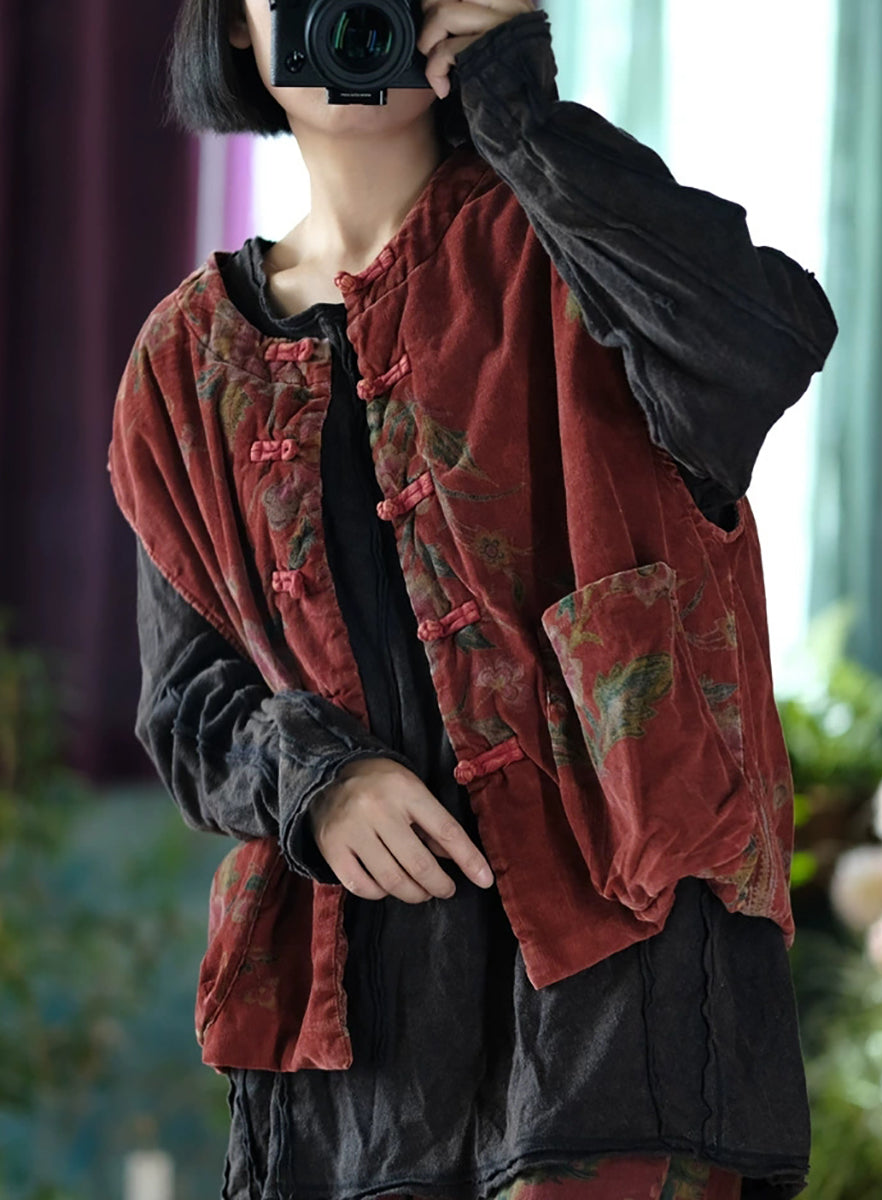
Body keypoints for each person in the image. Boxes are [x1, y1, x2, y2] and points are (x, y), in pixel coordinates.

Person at [107, 2, 838, 1199]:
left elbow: (756, 347)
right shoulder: (184, 363)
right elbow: (189, 705)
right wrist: (318, 780)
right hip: (357, 1053)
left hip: (621, 1012)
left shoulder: (573, 249)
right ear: (235, 24)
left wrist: (519, 102)